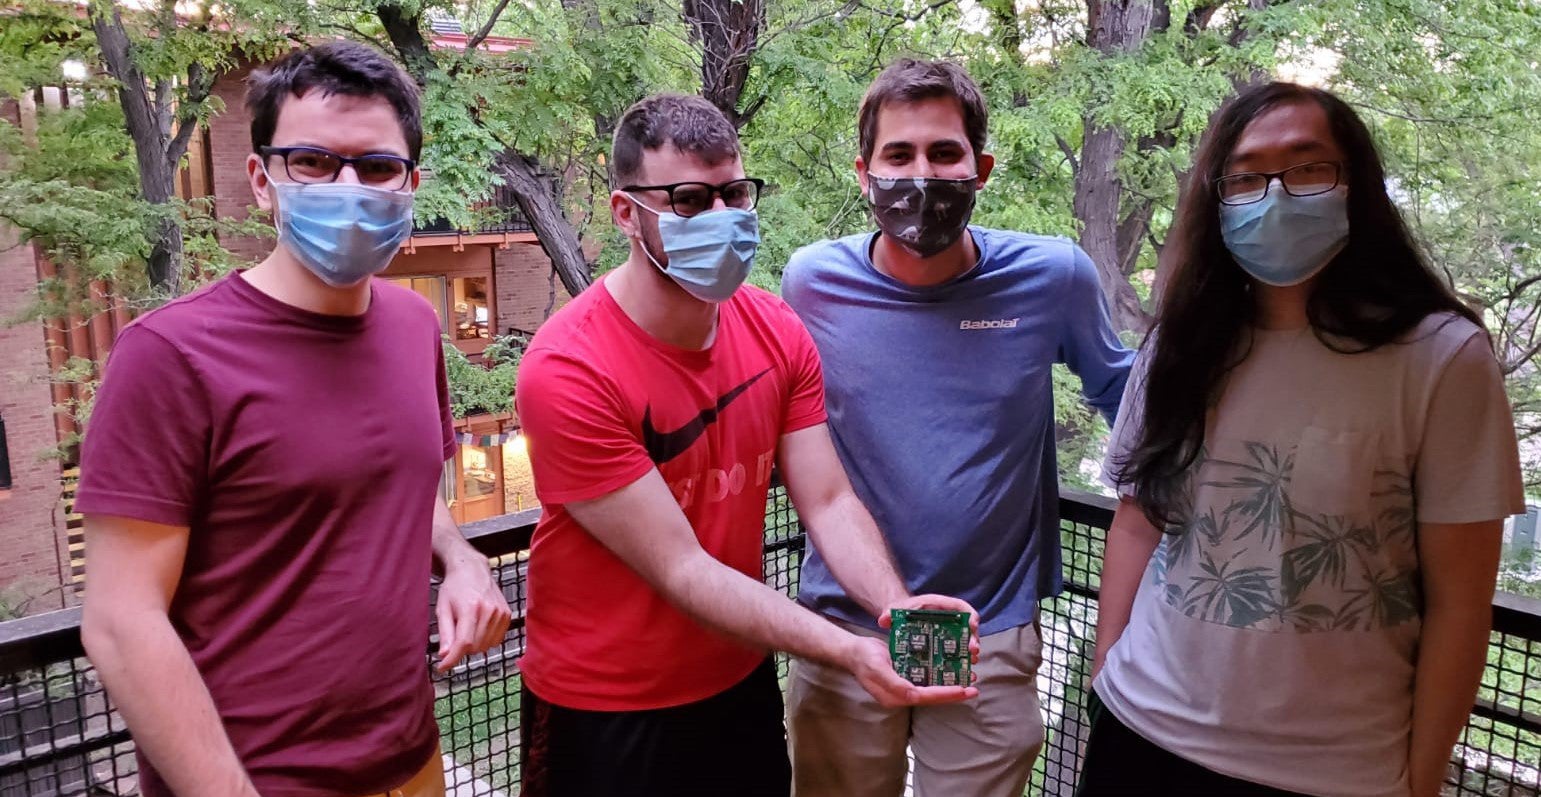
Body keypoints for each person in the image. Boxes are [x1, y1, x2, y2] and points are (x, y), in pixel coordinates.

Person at [77, 42, 512, 797]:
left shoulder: (413, 327)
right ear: (262, 180)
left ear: (412, 184)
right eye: (312, 161)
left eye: (376, 167)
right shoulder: (168, 355)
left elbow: (398, 482)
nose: (348, 187)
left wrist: (462, 556)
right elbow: (120, 622)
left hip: (412, 759)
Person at [513, 93, 980, 797]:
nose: (723, 216)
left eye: (734, 192)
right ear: (624, 213)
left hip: (736, 680)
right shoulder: (567, 366)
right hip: (603, 703)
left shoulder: (775, 328)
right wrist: (851, 650)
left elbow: (825, 500)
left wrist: (895, 608)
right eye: (690, 200)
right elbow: (681, 568)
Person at [1080, 82, 1523, 797]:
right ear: (1216, 196)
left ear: (1355, 184)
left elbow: (1460, 600)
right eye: (1246, 175)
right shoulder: (1180, 344)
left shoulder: (1442, 357)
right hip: (1142, 732)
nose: (1275, 193)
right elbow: (1136, 519)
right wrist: (1106, 670)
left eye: (1307, 166)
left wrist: (1420, 777)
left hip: (1334, 769)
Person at [781, 58, 1134, 797]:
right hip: (844, 626)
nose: (921, 175)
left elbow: (1127, 402)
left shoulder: (1053, 277)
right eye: (898, 155)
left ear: (981, 168)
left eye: (944, 153)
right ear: (862, 172)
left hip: (989, 629)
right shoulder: (811, 281)